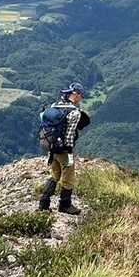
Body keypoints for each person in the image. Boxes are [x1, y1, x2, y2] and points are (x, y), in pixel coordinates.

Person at [38, 81, 91, 215]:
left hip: (51, 148)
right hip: (64, 151)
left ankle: (43, 203)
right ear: (76, 94)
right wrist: (69, 151)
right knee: (69, 178)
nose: (81, 99)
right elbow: (69, 135)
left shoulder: (54, 106)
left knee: (55, 175)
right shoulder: (74, 113)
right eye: (81, 96)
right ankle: (65, 205)